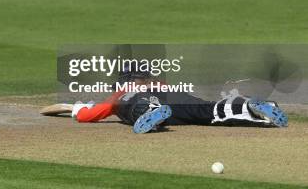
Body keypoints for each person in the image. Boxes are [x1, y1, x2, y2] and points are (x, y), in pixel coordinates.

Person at [68, 68, 289, 133]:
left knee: (135, 107)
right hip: (178, 99)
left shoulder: (119, 95)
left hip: (147, 103)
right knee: (210, 112)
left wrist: (77, 110)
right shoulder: (162, 84)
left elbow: (88, 116)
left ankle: (150, 113)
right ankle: (248, 107)